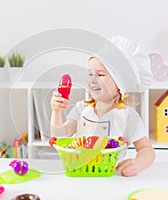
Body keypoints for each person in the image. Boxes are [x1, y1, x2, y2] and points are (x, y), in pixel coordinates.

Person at [50, 36, 155, 177]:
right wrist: (56, 111)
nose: (93, 80)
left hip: (112, 176)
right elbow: (59, 136)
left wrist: (137, 164)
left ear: (121, 83)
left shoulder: (127, 115)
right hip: (79, 173)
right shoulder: (81, 109)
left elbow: (146, 149)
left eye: (100, 74)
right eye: (90, 74)